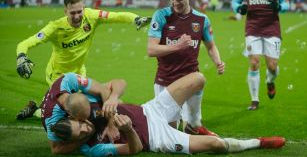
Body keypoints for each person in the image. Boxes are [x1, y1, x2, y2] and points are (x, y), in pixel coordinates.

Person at [52, 72, 286, 156]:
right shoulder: (92, 148)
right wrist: (127, 130)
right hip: (157, 137)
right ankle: (257, 143)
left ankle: (193, 124)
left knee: (198, 78)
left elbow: (119, 82)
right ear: (74, 142)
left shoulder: (84, 107)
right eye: (81, 134)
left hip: (149, 108)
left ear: (74, 118)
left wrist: (112, 99)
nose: (86, 129)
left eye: (80, 125)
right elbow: (135, 149)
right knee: (216, 145)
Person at [15, 0, 151, 119]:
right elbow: (26, 43)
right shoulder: (55, 28)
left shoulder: (91, 16)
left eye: (79, 12)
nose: (76, 16)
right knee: (68, 115)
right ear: (65, 11)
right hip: (58, 77)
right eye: (72, 13)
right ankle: (36, 110)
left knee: (82, 109)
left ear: (84, 9)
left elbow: (115, 16)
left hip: (79, 73)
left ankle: (42, 108)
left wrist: (135, 18)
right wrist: (21, 57)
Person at [147, 0, 225, 135]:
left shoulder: (202, 19)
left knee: (193, 128)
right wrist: (178, 46)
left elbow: (211, 46)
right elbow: (151, 49)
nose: (175, 3)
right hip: (165, 82)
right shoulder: (161, 16)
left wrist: (218, 61)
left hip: (191, 81)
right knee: (169, 132)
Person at [231, 0, 289, 110]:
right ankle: (254, 100)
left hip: (272, 28)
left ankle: (270, 81)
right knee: (254, 62)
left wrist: (280, 6)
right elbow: (234, 2)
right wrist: (239, 8)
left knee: (272, 66)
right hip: (252, 29)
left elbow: (286, 4)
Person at [40, 72, 126, 154]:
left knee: (112, 102)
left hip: (78, 113)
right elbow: (56, 149)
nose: (86, 120)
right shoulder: (52, 119)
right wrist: (86, 137)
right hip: (69, 129)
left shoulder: (70, 80)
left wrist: (111, 123)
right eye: (82, 119)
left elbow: (108, 88)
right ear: (69, 116)